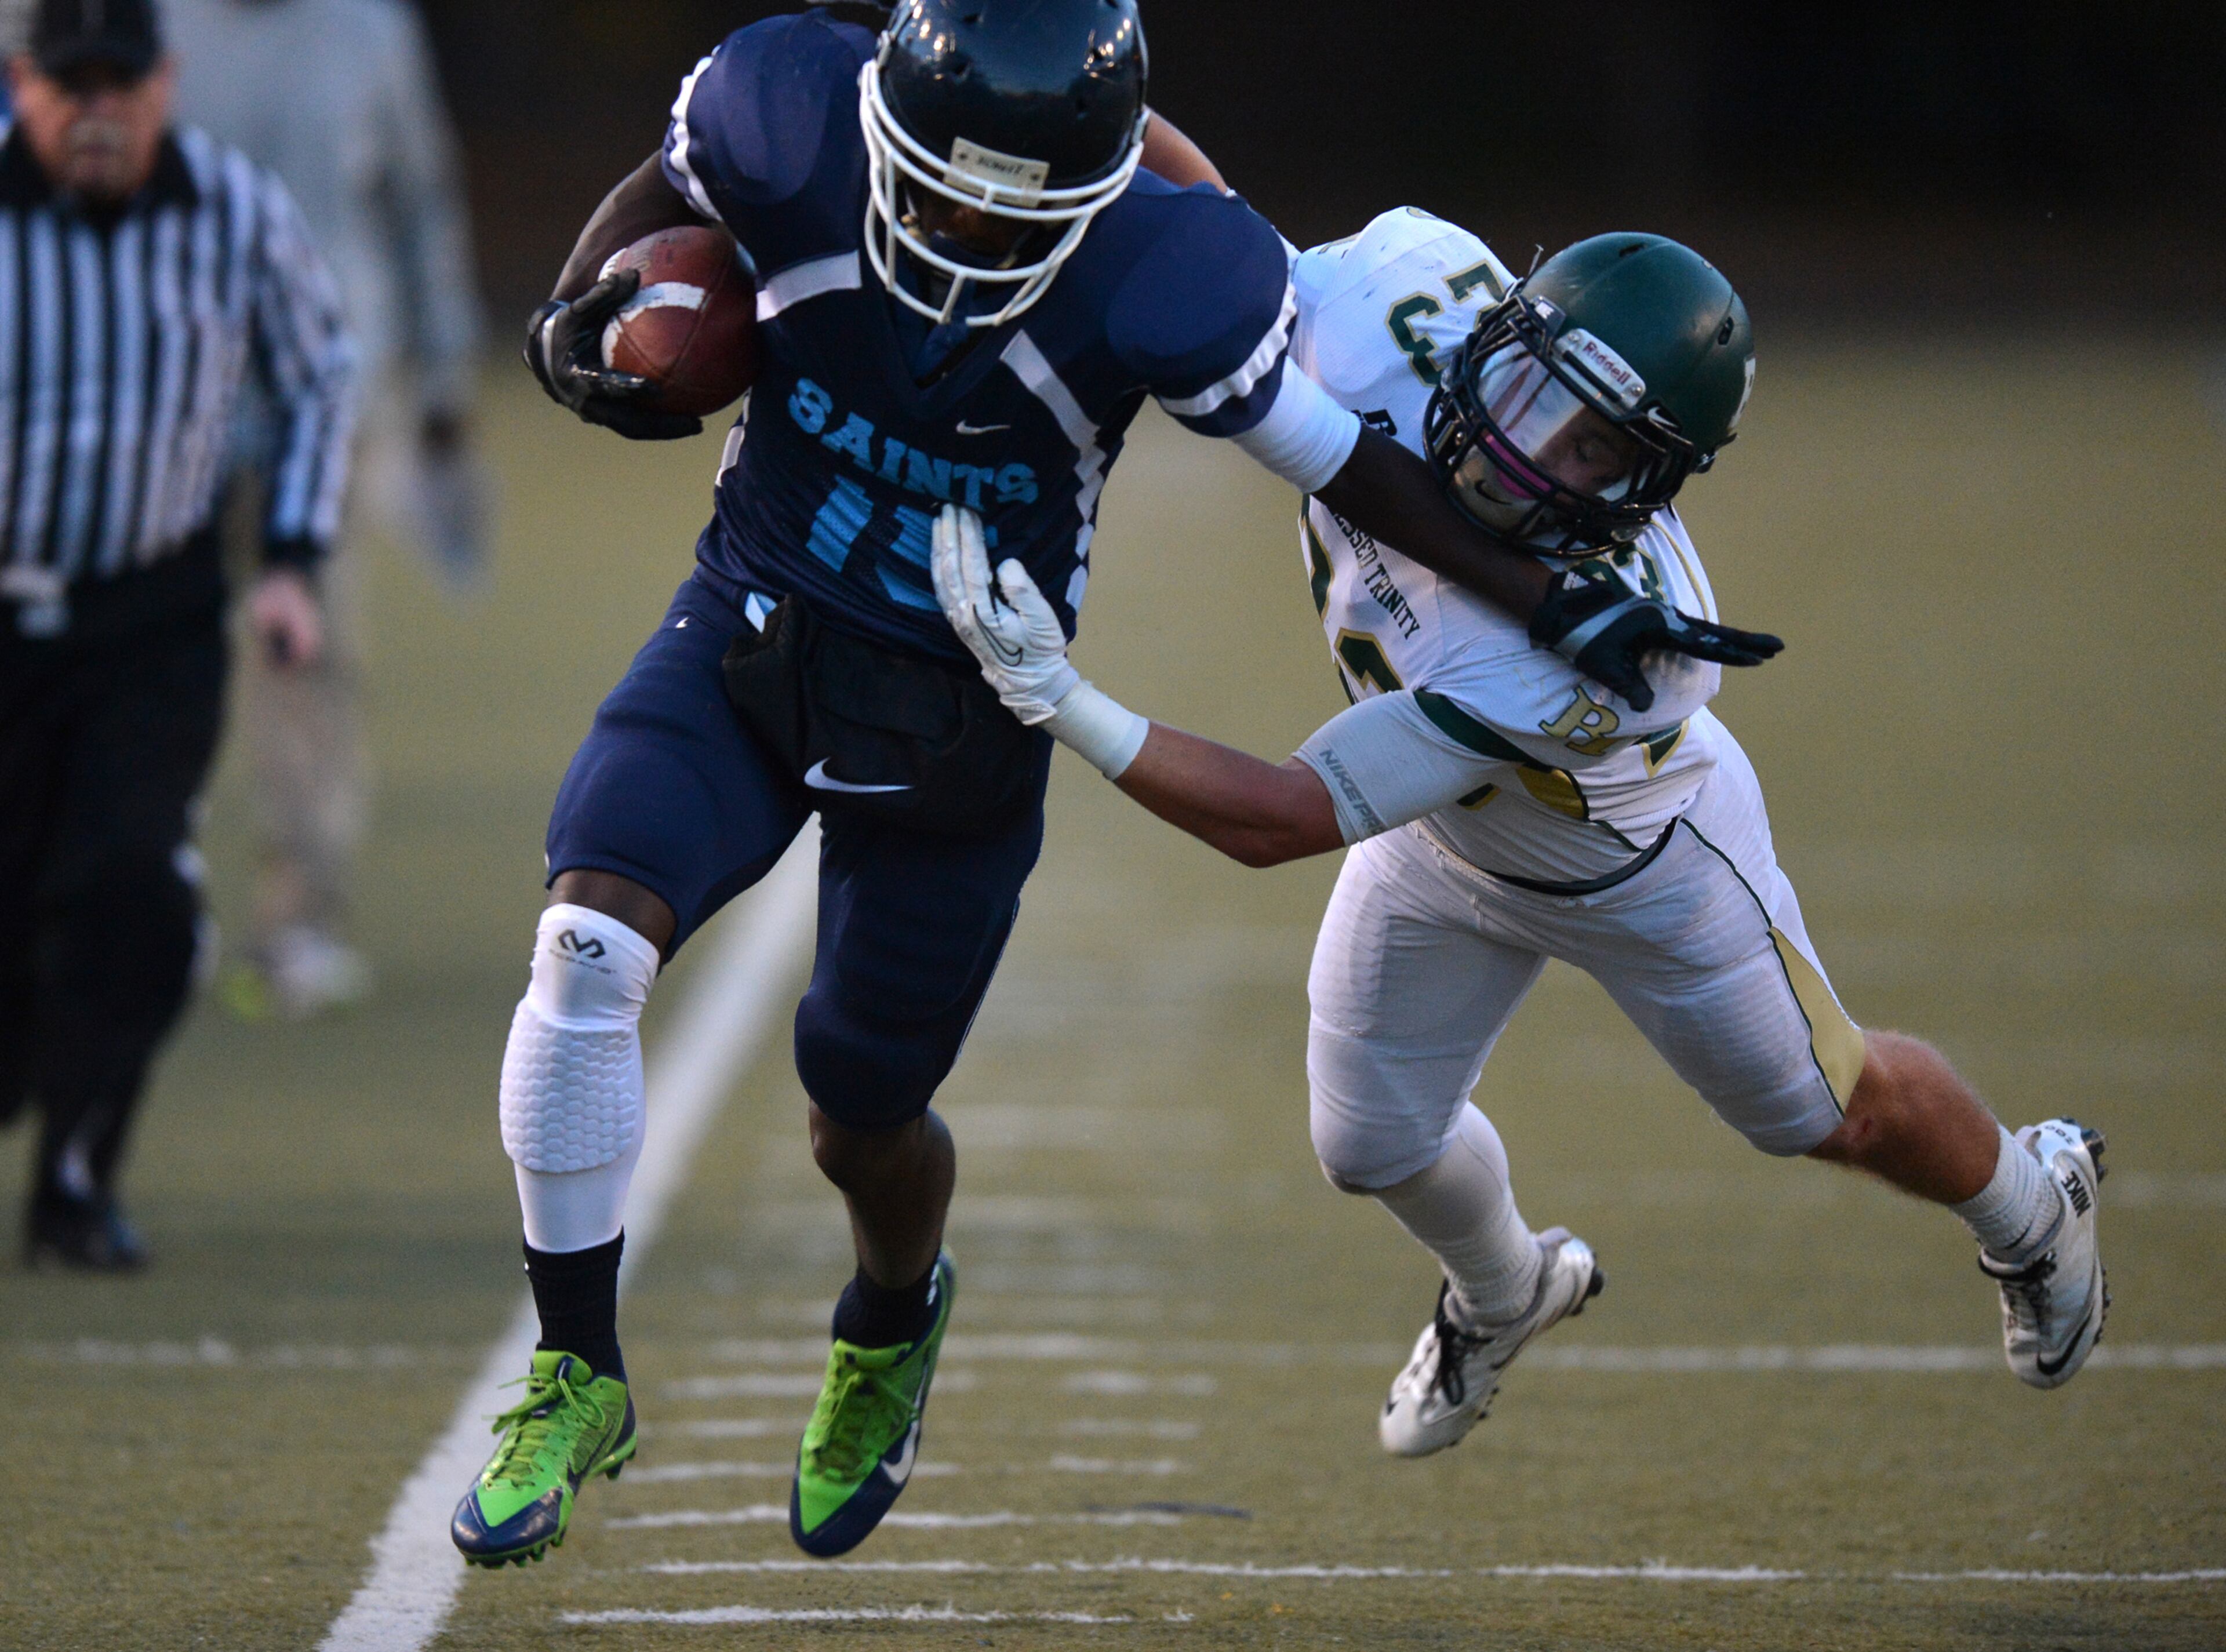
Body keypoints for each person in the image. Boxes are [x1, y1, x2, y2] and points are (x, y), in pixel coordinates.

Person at [449, 0, 1782, 1570]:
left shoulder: (1170, 269)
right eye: (940, 184)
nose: (962, 228)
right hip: (754, 620)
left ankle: (889, 1319)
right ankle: (575, 1372)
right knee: (587, 940)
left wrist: (1546, 597)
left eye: (1020, 204)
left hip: (960, 710)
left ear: (1101, 186)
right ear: (882, 118)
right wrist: (573, 318)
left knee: (858, 1114)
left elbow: (1346, 456)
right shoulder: (781, 105)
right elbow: (667, 191)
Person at [930, 209, 2108, 1455]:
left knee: (1828, 1113)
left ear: (1648, 489)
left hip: (1643, 870)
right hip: (1440, 837)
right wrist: (1087, 139)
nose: (1533, 448)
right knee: (1369, 1141)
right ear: (1498, 323)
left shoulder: (1614, 656)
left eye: (1595, 449)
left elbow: (1278, 819)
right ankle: (1507, 1289)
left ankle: (2036, 1205)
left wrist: (1065, 700)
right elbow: (1209, 227)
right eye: (1537, 389)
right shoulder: (1388, 304)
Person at [0, 0, 354, 1268]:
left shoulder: (235, 210)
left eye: (122, 83)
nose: (98, 111)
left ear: (168, 81)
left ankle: (78, 1179)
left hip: (148, 612)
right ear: (19, 81)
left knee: (131, 889)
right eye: (68, 84)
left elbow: (319, 368)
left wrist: (295, 557)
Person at [166, 0, 488, 1018]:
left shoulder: (368, 27)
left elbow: (418, 199)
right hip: (162, 389)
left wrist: (443, 379)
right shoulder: (140, 19)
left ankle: (299, 914)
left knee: (306, 651)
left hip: (324, 388)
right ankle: (143, 898)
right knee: (143, 648)